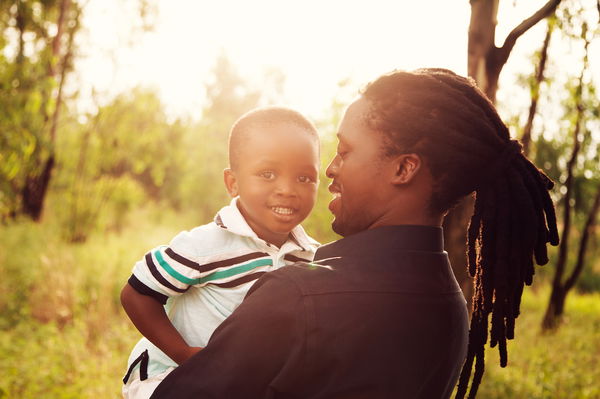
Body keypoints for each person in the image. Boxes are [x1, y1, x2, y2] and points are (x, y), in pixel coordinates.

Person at [150, 68, 558, 399]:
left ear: (403, 169)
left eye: (345, 152)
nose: (329, 169)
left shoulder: (297, 298)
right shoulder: (450, 309)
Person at [120, 106, 321, 398]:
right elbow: (136, 293)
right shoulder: (204, 246)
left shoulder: (308, 256)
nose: (287, 189)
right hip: (167, 377)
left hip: (232, 384)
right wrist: (184, 354)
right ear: (233, 183)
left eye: (304, 178)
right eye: (268, 174)